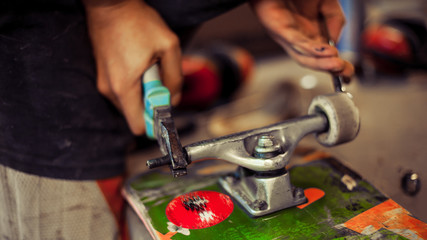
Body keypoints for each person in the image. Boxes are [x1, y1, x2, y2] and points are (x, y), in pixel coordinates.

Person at [0, 0, 354, 239]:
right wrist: (111, 8)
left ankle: (210, 71)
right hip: (52, 49)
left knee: (222, 69)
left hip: (166, 14)